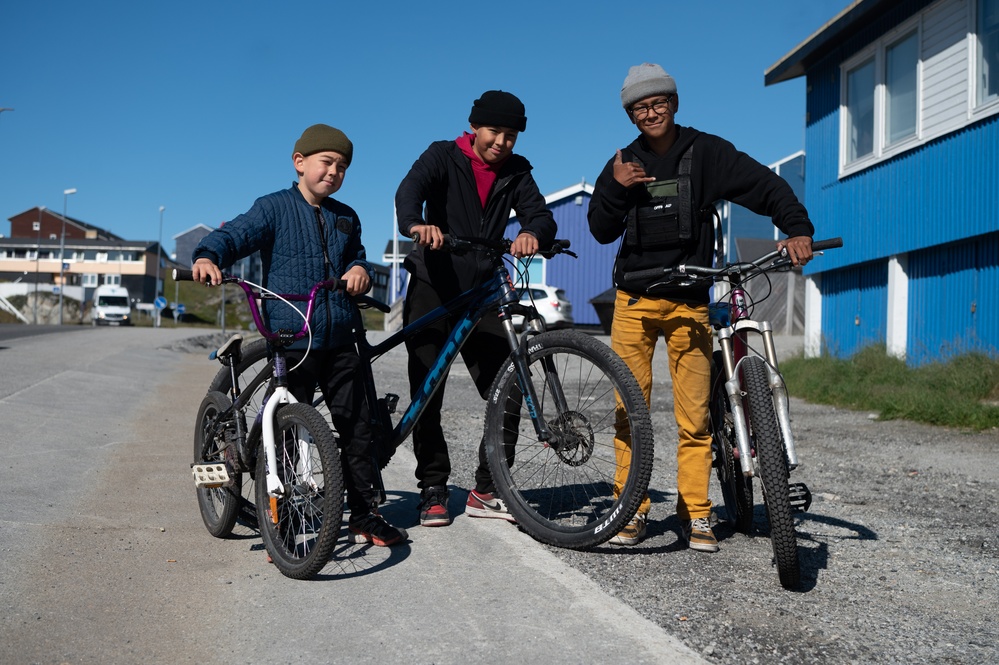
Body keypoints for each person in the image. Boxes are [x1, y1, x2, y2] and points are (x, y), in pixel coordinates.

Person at [588, 64, 815, 551]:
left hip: (689, 303)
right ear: (630, 115)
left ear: (674, 103)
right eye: (640, 108)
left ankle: (697, 512)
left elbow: (766, 187)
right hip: (633, 301)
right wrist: (614, 186)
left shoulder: (708, 152)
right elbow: (600, 230)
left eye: (658, 103)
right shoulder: (623, 161)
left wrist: (797, 228)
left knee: (695, 419)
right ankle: (630, 508)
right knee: (630, 411)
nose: (651, 113)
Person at [191, 123, 407, 548]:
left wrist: (360, 269)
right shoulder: (273, 208)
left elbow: (357, 256)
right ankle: (284, 522)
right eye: (327, 162)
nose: (334, 172)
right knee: (290, 430)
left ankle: (365, 513)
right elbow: (232, 235)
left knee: (358, 426)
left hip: (343, 333)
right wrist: (206, 256)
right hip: (293, 334)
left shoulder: (346, 216)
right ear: (300, 162)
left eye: (342, 166)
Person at [395, 90, 558, 527]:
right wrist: (416, 224)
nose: (502, 142)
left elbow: (540, 215)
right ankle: (432, 487)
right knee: (427, 394)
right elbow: (409, 192)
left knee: (509, 388)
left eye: (510, 135)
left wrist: (533, 234)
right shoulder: (442, 156)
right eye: (494, 132)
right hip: (435, 285)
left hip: (484, 290)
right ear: (474, 127)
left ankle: (487, 489)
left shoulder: (518, 171)